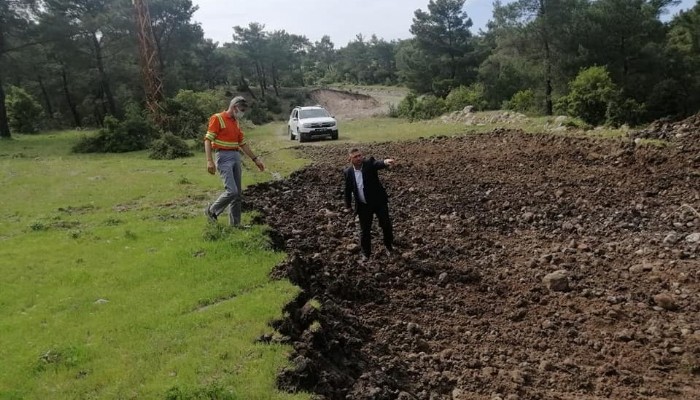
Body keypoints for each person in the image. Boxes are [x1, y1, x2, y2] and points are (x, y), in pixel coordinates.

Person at [204, 96, 265, 226]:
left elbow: (242, 143)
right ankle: (211, 211)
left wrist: (255, 160)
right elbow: (208, 140)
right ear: (234, 107)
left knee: (237, 195)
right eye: (241, 110)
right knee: (232, 191)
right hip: (223, 156)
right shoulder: (217, 118)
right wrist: (209, 161)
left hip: (236, 156)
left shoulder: (236, 122)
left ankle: (236, 225)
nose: (242, 113)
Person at [343, 148, 396, 262]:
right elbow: (347, 190)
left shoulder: (368, 164)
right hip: (363, 205)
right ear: (350, 159)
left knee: (385, 224)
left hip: (378, 202)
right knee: (365, 230)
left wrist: (385, 162)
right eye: (355, 157)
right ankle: (366, 254)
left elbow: (377, 164)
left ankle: (389, 246)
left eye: (360, 155)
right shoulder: (348, 172)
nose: (358, 158)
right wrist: (348, 206)